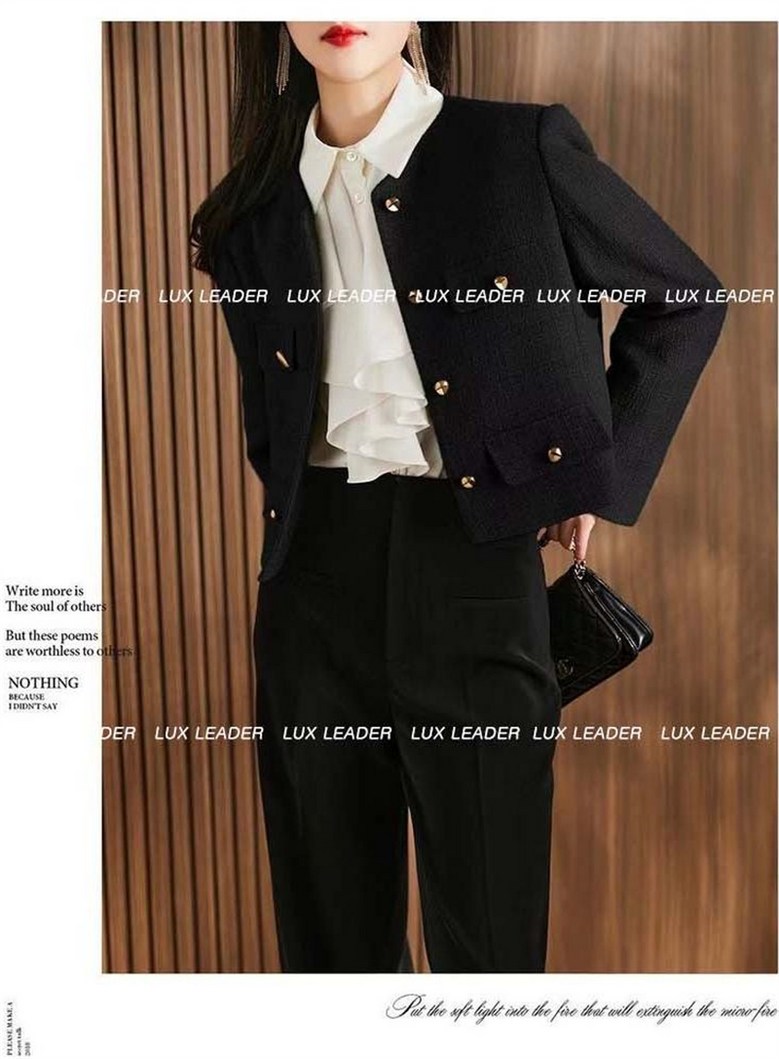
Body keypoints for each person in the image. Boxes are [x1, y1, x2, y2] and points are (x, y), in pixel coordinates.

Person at [191, 21, 727, 973]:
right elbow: (272, 419)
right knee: (330, 954)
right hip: (309, 589)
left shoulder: (516, 149)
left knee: (488, 955)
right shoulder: (250, 210)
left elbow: (683, 295)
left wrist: (580, 469)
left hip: (472, 568)